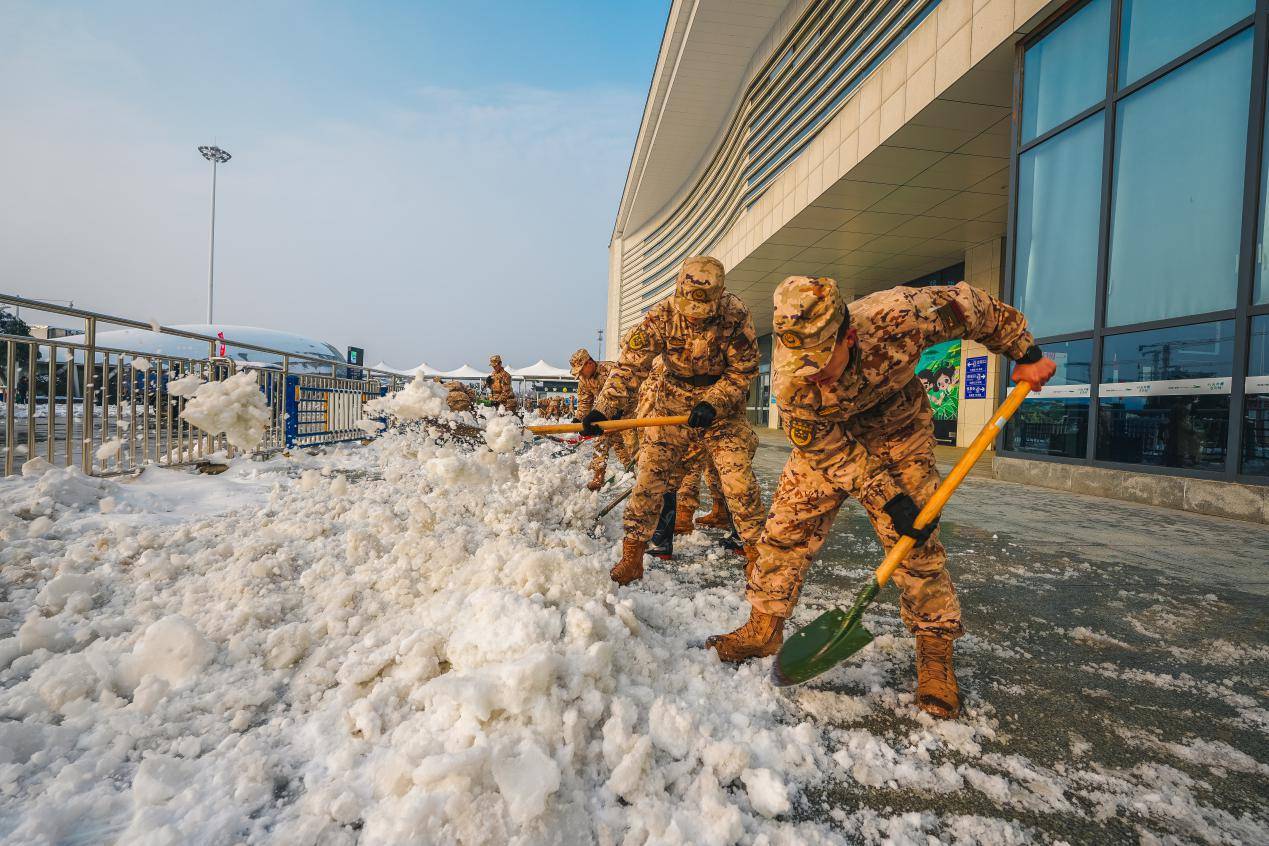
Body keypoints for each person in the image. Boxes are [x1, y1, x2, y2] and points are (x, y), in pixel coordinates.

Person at [706, 276, 1056, 719]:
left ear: (847, 335)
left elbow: (973, 307)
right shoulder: (791, 381)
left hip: (898, 430)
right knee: (784, 531)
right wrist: (885, 495)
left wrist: (1025, 353)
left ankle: (934, 654)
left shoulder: (901, 317)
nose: (812, 373)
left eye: (821, 361)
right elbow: (823, 448)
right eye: (801, 362)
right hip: (830, 441)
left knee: (915, 546)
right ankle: (763, 627)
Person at [582, 256, 766, 585]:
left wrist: (715, 401)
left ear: (719, 295)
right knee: (649, 480)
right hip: (673, 406)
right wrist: (603, 410)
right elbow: (630, 367)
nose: (694, 318)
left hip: (721, 411)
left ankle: (759, 561)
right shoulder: (662, 315)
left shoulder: (736, 314)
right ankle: (632, 557)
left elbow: (744, 370)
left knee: (739, 482)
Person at [571, 348, 634, 491]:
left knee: (627, 444)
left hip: (627, 412)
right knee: (601, 441)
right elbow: (585, 402)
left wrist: (620, 411)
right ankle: (598, 477)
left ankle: (634, 471)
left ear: (589, 363)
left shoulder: (611, 369)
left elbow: (630, 391)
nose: (580, 374)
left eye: (581, 370)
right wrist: (579, 419)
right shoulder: (584, 380)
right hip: (603, 413)